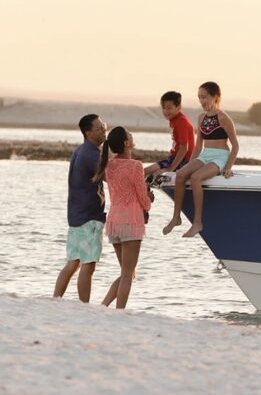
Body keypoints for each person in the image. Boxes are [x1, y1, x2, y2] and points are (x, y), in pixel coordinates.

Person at [164, 81, 239, 238]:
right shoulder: (201, 118)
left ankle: (197, 222)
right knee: (181, 175)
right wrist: (189, 164)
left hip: (220, 156)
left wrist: (229, 167)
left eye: (204, 97)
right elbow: (198, 147)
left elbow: (235, 145)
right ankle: (176, 217)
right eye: (199, 98)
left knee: (196, 178)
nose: (202, 101)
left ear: (215, 97)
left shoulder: (224, 118)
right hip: (205, 155)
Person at [94, 126, 150, 309]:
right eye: (130, 134)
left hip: (114, 223)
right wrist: (150, 201)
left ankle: (103, 306)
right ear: (127, 143)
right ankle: (120, 312)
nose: (132, 136)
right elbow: (143, 199)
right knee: (128, 274)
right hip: (130, 223)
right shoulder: (135, 166)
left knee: (127, 272)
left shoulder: (108, 166)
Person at [54, 114, 107, 302]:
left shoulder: (80, 151)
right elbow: (109, 177)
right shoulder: (91, 154)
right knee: (88, 264)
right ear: (88, 133)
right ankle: (84, 305)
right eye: (99, 128)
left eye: (104, 126)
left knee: (73, 262)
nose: (104, 130)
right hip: (89, 217)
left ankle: (56, 298)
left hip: (76, 215)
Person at [144, 90, 195, 177]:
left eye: (169, 108)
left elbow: (184, 148)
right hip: (173, 158)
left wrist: (170, 168)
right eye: (163, 108)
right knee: (144, 171)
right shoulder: (173, 119)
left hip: (184, 160)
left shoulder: (181, 121)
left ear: (179, 107)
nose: (165, 111)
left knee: (154, 174)